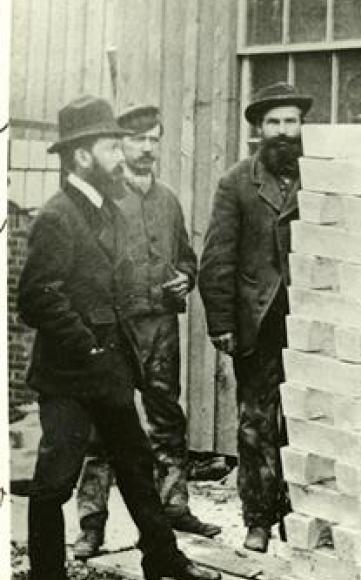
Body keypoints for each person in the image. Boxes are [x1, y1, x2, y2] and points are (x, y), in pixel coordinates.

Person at [19, 95, 219, 580]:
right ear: (82, 155)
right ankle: (47, 572)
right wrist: (87, 343)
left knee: (135, 465)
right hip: (69, 376)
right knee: (54, 482)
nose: (120, 158)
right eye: (113, 148)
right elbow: (37, 298)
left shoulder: (104, 209)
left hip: (109, 369)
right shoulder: (57, 215)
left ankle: (163, 558)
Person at [72, 105, 221, 560]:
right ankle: (91, 524)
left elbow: (185, 255)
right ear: (120, 145)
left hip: (160, 326)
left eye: (155, 139)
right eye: (138, 139)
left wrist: (185, 277)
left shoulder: (168, 200)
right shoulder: (102, 200)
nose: (147, 148)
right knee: (104, 427)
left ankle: (173, 505)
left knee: (166, 420)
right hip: (115, 329)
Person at [198, 82, 310, 553]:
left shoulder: (320, 175)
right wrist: (221, 323)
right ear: (259, 129)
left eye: (291, 121)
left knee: (308, 420)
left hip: (309, 317)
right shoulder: (237, 182)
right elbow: (216, 260)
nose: (284, 131)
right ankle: (259, 518)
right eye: (275, 122)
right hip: (258, 320)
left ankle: (306, 517)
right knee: (257, 422)